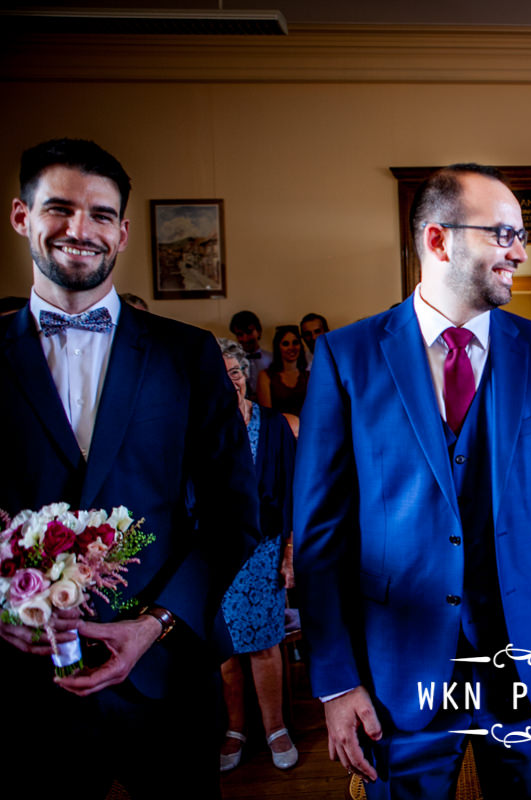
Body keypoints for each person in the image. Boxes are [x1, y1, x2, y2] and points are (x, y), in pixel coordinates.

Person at [292, 163, 531, 799]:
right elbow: (319, 533)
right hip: (398, 665)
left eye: (521, 235)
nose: (521, 253)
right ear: (439, 240)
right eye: (503, 234)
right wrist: (336, 681)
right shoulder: (348, 357)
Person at [0, 138, 258, 798]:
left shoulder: (188, 355)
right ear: (22, 217)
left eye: (101, 215)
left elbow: (234, 515)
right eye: (59, 208)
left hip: (165, 679)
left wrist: (157, 623)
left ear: (122, 231)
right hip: (21, 692)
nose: (80, 230)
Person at [217, 339, 299, 773]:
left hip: (265, 550)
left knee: (266, 644)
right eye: (221, 372)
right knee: (227, 648)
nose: (230, 379)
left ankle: (275, 728)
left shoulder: (276, 425)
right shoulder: (202, 426)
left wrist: (288, 554)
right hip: (218, 553)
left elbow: (290, 494)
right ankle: (235, 730)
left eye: (235, 371)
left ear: (246, 375)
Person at [257, 324, 309, 415]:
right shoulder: (265, 376)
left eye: (295, 343)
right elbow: (267, 414)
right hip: (279, 427)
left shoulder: (309, 376)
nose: (291, 348)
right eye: (286, 344)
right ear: (278, 347)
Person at [230, 310, 272, 386]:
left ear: (259, 332)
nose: (245, 339)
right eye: (240, 334)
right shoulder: (231, 362)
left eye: (249, 332)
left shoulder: (272, 359)